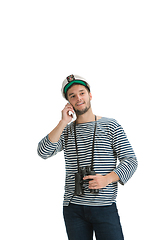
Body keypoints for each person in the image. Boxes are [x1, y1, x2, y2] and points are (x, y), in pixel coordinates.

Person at [37, 74, 138, 240]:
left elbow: (131, 160)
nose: (78, 98)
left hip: (104, 206)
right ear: (68, 102)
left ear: (90, 95)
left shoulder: (110, 125)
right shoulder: (66, 131)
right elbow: (43, 152)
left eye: (82, 93)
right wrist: (63, 122)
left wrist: (107, 179)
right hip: (73, 208)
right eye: (73, 95)